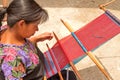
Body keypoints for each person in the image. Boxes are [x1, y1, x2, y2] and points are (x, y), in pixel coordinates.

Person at [0, 0, 77, 80]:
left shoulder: (8, 29)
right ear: (22, 24)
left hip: (40, 71)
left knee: (69, 75)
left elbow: (23, 48)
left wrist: (36, 39)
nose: (37, 29)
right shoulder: (12, 60)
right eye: (35, 25)